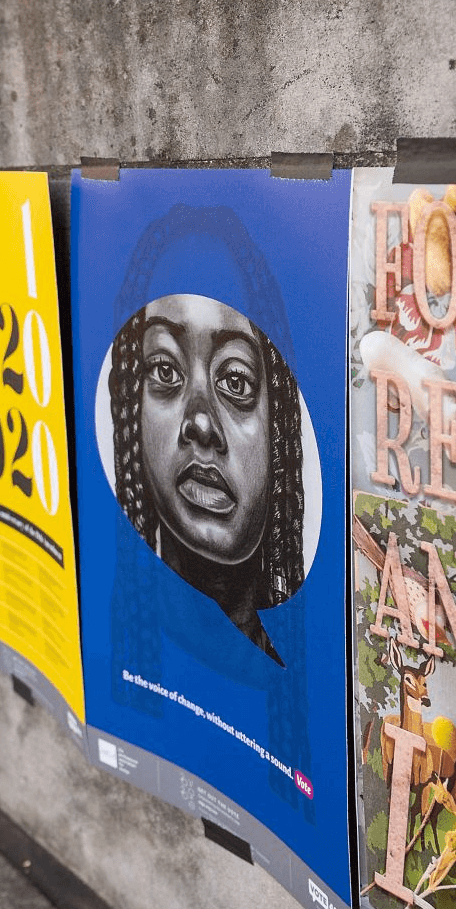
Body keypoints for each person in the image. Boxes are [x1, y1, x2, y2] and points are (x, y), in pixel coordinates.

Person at [108, 205, 306, 663]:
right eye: (164, 368)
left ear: (279, 427)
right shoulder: (128, 645)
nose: (199, 420)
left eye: (234, 381)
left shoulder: (297, 668)